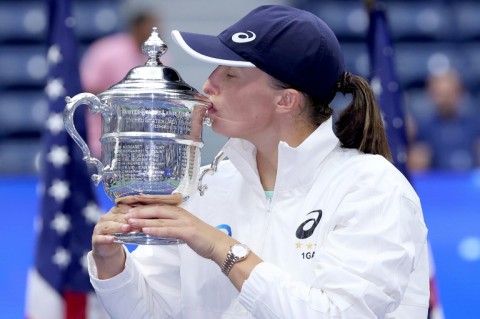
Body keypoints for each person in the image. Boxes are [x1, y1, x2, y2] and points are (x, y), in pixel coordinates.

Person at [87, 5, 430, 318]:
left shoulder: (372, 188)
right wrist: (111, 263)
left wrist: (221, 248)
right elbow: (150, 312)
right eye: (215, 69)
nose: (208, 85)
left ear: (286, 101)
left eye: (231, 75)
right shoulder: (207, 186)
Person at [80, 10, 159, 158]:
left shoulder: (159, 58)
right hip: (104, 136)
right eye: (150, 28)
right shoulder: (106, 51)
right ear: (137, 28)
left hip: (143, 141)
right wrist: (123, 101)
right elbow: (87, 88)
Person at [408, 69, 480, 171]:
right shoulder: (424, 129)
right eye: (440, 94)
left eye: (449, 93)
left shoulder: (474, 125)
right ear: (431, 94)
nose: (445, 100)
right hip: (438, 182)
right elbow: (416, 164)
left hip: (470, 182)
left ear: (460, 93)